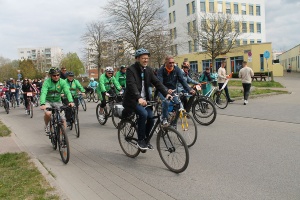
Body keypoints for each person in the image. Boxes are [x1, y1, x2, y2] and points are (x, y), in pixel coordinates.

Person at [122, 48, 171, 150]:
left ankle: (145, 139)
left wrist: (166, 93)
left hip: (145, 100)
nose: (145, 60)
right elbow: (131, 85)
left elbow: (157, 82)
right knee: (143, 114)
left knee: (151, 118)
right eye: (143, 58)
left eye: (147, 58)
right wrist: (139, 98)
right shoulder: (131, 70)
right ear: (137, 59)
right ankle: (140, 141)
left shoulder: (148, 70)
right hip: (133, 100)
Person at [157, 56, 195, 126]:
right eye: (170, 63)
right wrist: (166, 90)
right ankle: (164, 118)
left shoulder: (176, 69)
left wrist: (189, 89)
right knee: (166, 101)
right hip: (163, 90)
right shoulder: (161, 70)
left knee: (178, 104)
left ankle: (173, 123)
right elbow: (160, 83)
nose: (172, 64)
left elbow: (182, 80)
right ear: (165, 63)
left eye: (173, 63)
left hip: (173, 90)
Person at [40, 67, 74, 135]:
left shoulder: (62, 82)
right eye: (54, 75)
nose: (56, 77)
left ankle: (63, 138)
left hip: (57, 101)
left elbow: (67, 92)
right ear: (51, 76)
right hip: (48, 101)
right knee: (48, 113)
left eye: (58, 75)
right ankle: (47, 125)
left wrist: (70, 101)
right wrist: (42, 103)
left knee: (63, 119)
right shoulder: (47, 82)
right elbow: (43, 93)